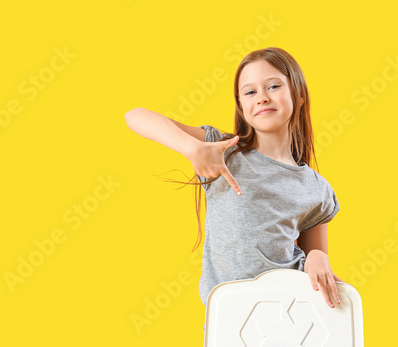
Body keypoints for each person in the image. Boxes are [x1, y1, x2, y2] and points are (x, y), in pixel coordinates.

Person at [124, 46, 343, 320]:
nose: (262, 98)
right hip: (229, 320)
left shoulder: (316, 188)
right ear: (241, 105)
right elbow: (134, 116)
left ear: (298, 94)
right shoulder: (222, 151)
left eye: (273, 86)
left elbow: (317, 276)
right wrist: (192, 149)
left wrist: (318, 257)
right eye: (250, 92)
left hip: (290, 318)